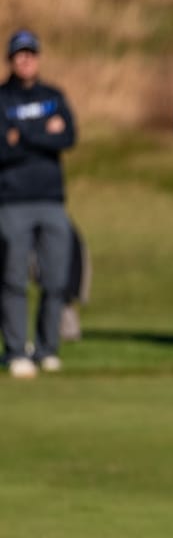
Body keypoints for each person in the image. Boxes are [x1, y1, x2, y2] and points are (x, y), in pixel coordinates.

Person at [0, 29, 76, 378]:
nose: (25, 60)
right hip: (12, 200)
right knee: (14, 279)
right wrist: (44, 132)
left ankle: (47, 348)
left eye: (31, 53)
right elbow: (3, 148)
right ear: (11, 60)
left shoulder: (54, 95)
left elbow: (68, 136)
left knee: (56, 279)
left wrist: (23, 134)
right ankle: (16, 351)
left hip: (52, 199)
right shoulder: (2, 99)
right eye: (19, 54)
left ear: (38, 57)